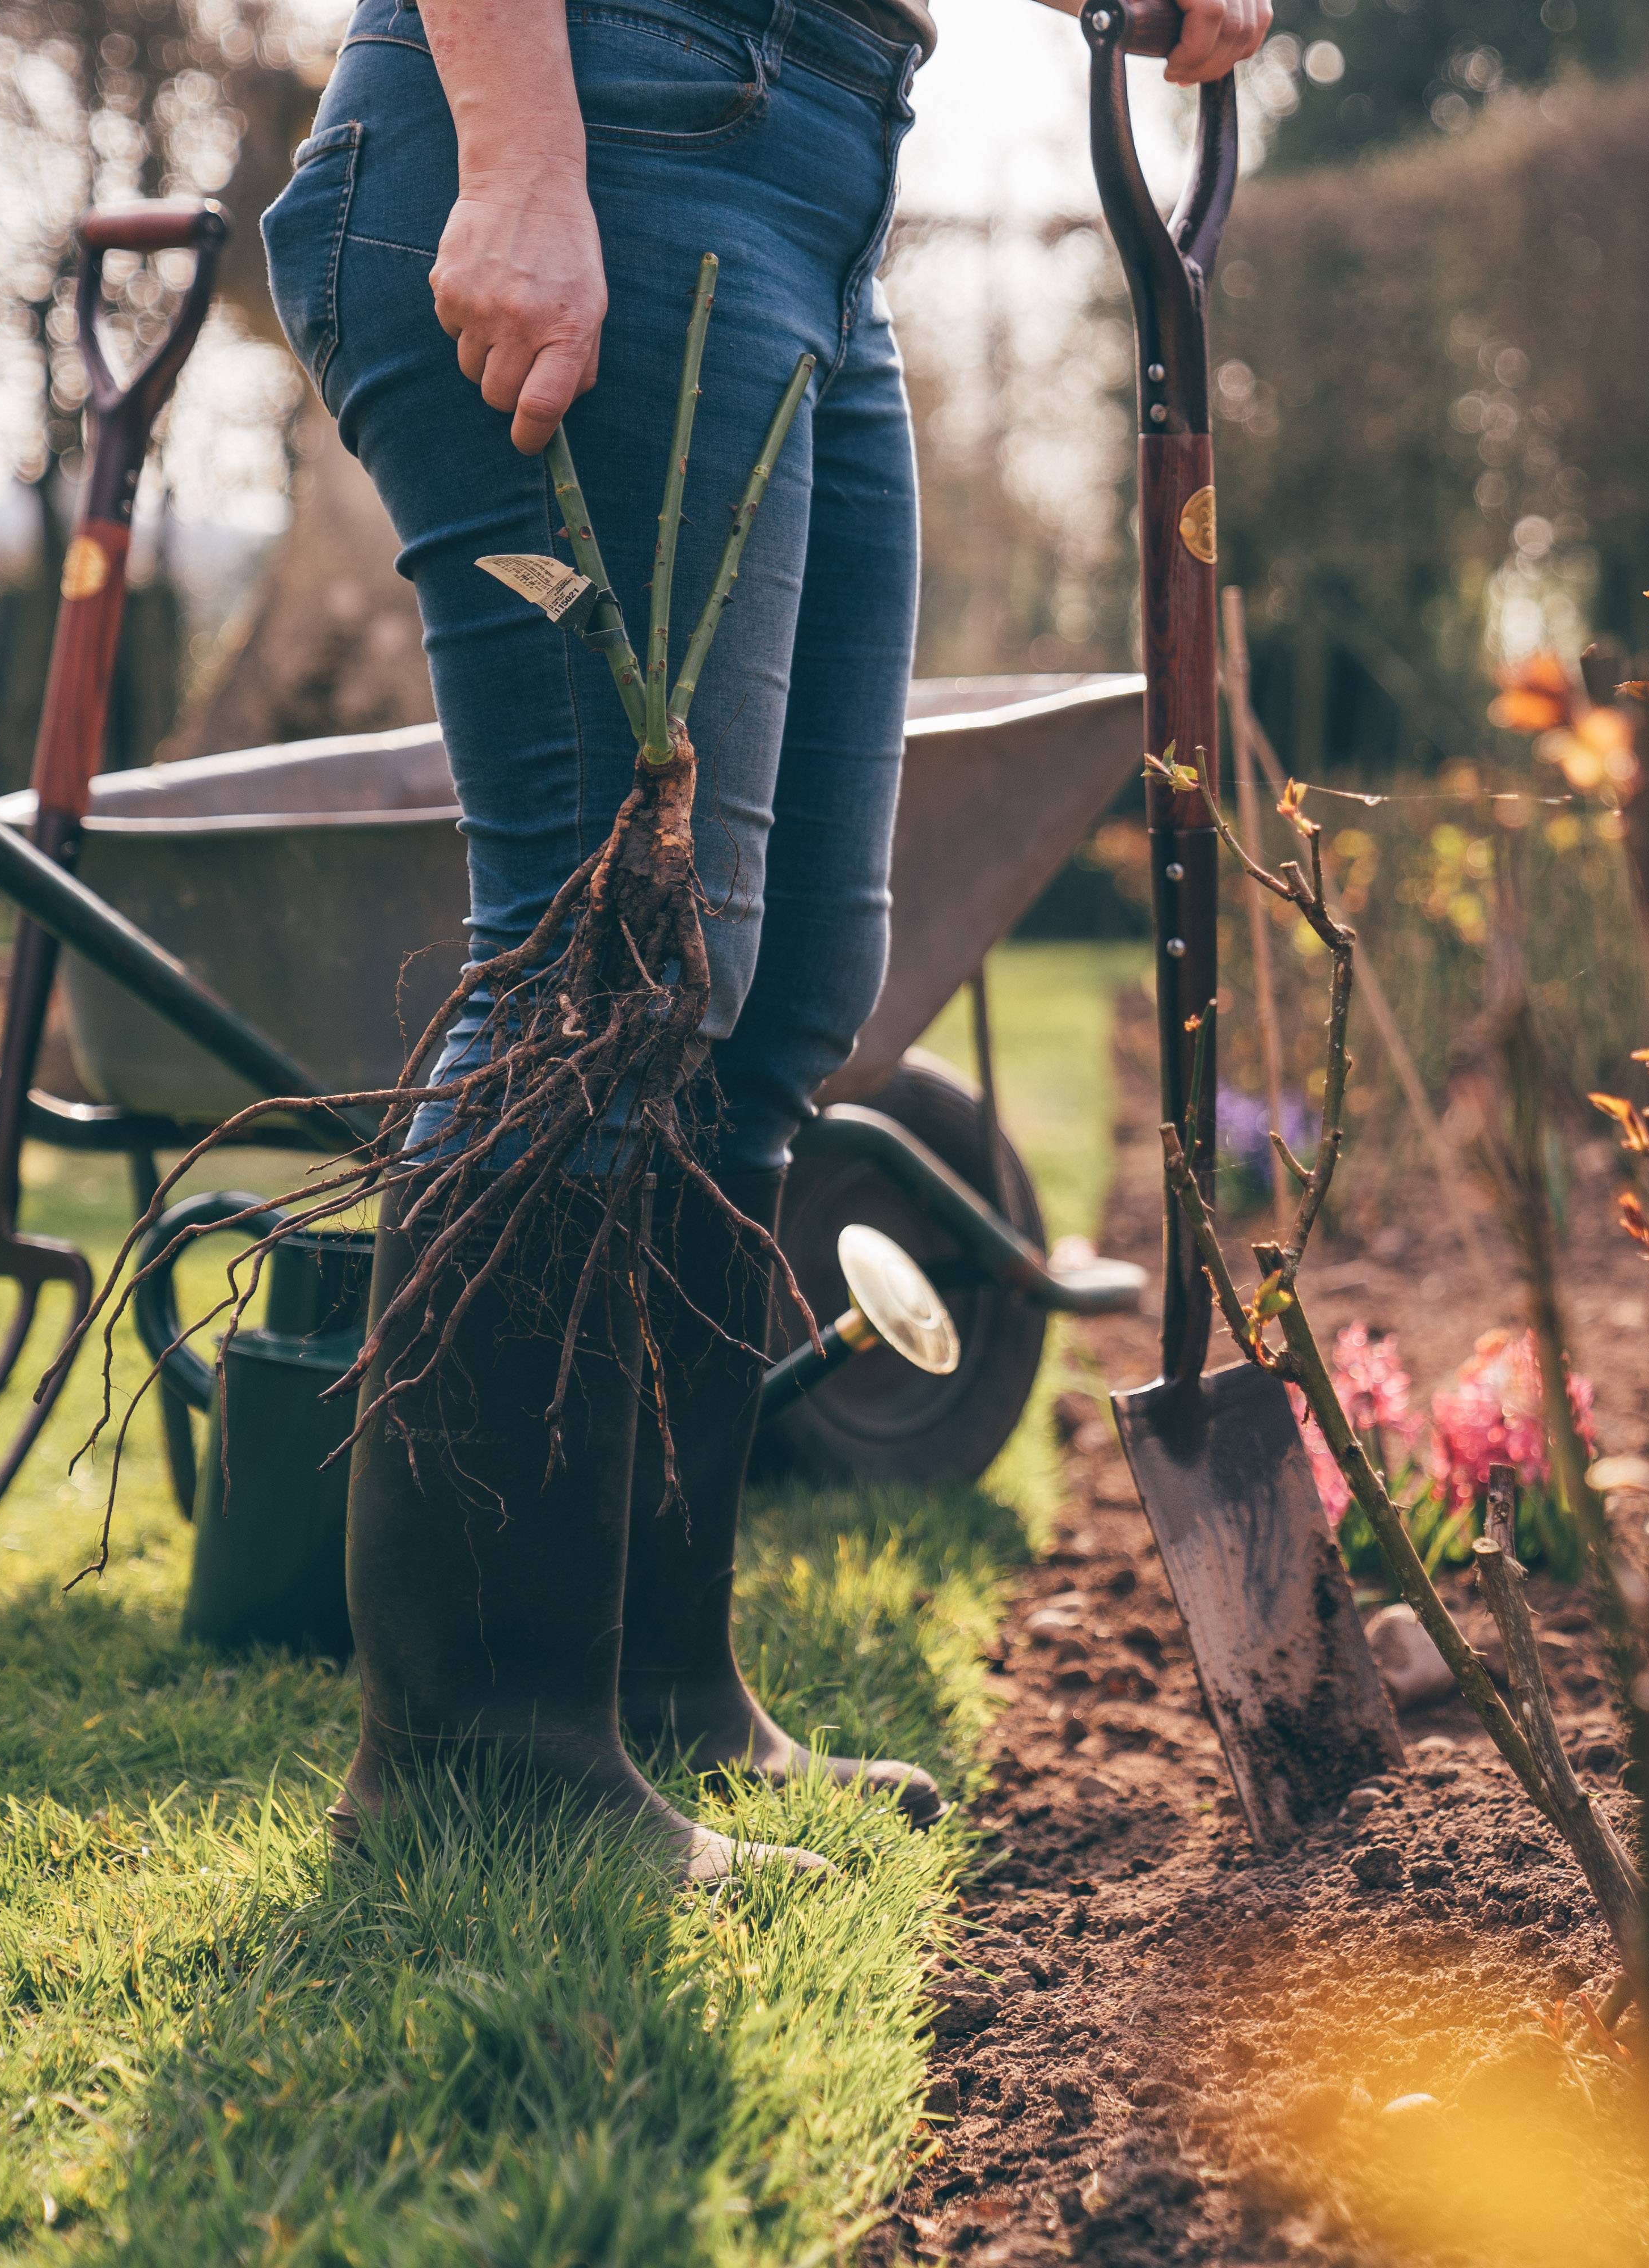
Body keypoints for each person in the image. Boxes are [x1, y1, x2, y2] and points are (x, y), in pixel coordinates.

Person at [259, 0, 1267, 1881]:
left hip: (815, 167)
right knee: (607, 964)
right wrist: (527, 159)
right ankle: (483, 1755)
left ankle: (655, 1690)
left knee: (784, 982)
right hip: (608, 121)